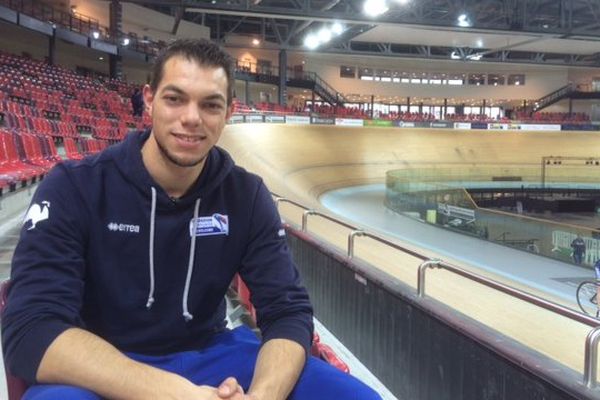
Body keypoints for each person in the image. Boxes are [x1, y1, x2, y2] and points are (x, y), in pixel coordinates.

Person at [2, 39, 381, 400]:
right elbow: (32, 329)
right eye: (175, 99)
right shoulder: (74, 186)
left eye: (211, 105)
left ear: (229, 113)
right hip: (103, 362)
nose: (191, 118)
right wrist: (173, 392)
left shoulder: (246, 196)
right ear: (149, 100)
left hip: (214, 354)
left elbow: (287, 311)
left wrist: (264, 394)